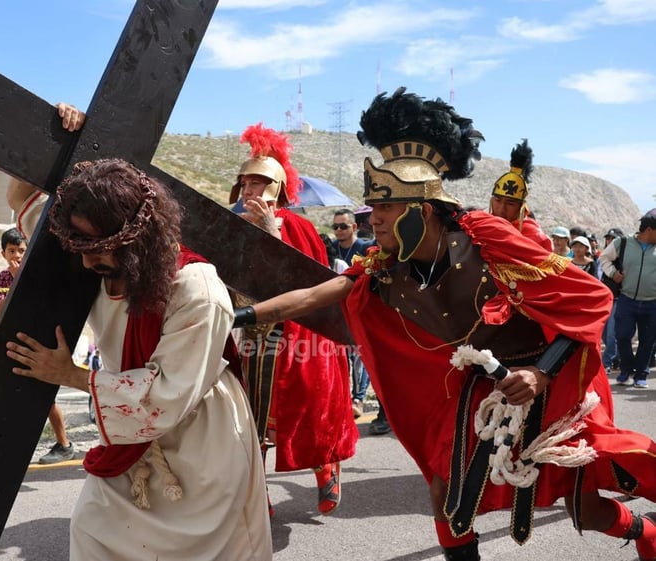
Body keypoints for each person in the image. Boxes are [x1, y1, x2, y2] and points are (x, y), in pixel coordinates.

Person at [235, 88, 656, 561]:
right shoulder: (385, 262)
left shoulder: (485, 235)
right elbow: (317, 294)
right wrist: (238, 314)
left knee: (587, 510)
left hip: (553, 375)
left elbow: (591, 297)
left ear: (423, 211)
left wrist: (540, 374)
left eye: (386, 209)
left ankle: (647, 536)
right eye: (373, 210)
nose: (374, 221)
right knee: (443, 489)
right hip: (482, 387)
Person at [5, 157, 272, 560]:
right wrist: (70, 141)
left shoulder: (195, 288)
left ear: (138, 235)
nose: (85, 261)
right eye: (79, 248)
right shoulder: (88, 246)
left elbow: (167, 395)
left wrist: (72, 375)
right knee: (93, 531)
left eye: (98, 249)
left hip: (201, 438)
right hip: (126, 423)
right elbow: (19, 195)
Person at [228, 123, 358, 516]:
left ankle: (325, 468)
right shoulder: (233, 226)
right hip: (251, 333)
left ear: (275, 188)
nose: (250, 191)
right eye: (246, 184)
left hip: (297, 336)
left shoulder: (298, 226)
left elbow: (309, 288)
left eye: (257, 184)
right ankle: (256, 491)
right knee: (250, 417)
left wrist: (272, 235)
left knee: (307, 408)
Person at [0, 226, 76, 464]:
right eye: (11, 251)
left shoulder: (37, 274)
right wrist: (14, 284)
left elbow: (42, 307)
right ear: (3, 254)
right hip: (14, 341)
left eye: (21, 250)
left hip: (39, 342)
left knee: (45, 395)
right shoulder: (3, 277)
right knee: (12, 394)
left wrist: (22, 280)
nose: (16, 255)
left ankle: (64, 443)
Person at [330, 209, 389, 431]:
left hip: (365, 312)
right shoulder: (332, 248)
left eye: (343, 226)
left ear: (353, 227)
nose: (338, 231)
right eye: (335, 226)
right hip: (338, 313)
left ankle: (360, 400)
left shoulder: (366, 248)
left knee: (364, 359)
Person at [598, 211, 656, 389]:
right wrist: (613, 273)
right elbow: (603, 258)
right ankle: (625, 370)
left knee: (647, 340)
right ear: (649, 229)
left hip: (652, 303)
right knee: (622, 336)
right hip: (626, 300)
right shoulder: (622, 243)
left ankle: (641, 374)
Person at [488, 138, 552, 251]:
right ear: (491, 201)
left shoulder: (537, 238)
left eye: (510, 204)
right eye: (498, 201)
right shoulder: (481, 228)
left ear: (522, 208)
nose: (501, 210)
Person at [600, 227, 625, 371]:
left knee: (611, 333)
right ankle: (616, 357)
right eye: (608, 238)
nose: (609, 241)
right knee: (603, 333)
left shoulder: (623, 261)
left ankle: (607, 363)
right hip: (604, 300)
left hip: (617, 299)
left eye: (613, 238)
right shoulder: (601, 260)